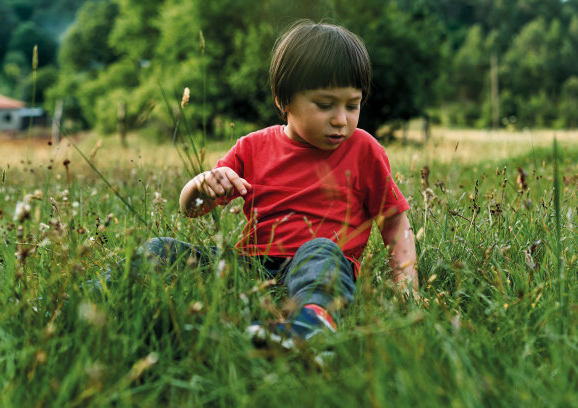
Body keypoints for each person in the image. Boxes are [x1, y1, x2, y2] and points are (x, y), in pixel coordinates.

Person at [145, 20, 418, 344]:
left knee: (321, 250)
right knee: (161, 249)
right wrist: (200, 185)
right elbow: (192, 211)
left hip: (320, 263)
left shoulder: (364, 150)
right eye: (325, 104)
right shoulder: (252, 147)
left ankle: (310, 327)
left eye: (352, 105)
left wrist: (406, 287)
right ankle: (90, 299)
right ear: (284, 101)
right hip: (249, 268)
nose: (341, 119)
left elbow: (394, 221)